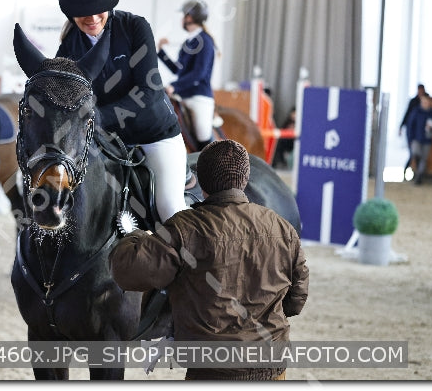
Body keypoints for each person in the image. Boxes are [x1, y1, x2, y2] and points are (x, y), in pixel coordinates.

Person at [109, 139, 309, 380]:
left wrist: (136, 235)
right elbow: (296, 300)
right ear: (245, 180)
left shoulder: (184, 228)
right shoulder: (282, 227)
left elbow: (127, 273)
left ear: (200, 183)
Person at [54, 0, 187, 222]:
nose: (92, 18)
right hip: (106, 143)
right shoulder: (69, 45)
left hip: (154, 136)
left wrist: (96, 117)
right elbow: (61, 93)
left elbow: (148, 92)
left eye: (98, 8)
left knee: (170, 208)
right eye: (83, 12)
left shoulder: (135, 27)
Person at [157, 0, 217, 149]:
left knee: (202, 135)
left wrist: (174, 86)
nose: (182, 19)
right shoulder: (188, 42)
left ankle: (212, 164)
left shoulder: (205, 41)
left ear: (189, 17)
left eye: (184, 15)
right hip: (183, 94)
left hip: (199, 97)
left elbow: (199, 73)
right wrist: (161, 53)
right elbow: (179, 70)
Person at [405, 94, 432, 185]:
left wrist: (431, 128)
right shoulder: (416, 112)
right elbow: (410, 126)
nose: (425, 104)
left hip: (427, 140)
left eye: (426, 102)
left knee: (424, 158)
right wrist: (410, 138)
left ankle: (419, 177)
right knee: (415, 153)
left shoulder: (431, 114)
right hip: (416, 138)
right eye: (423, 102)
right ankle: (415, 168)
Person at [400, 84, 432, 175]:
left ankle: (417, 175)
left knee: (421, 157)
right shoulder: (414, 105)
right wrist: (401, 127)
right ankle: (406, 171)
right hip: (414, 136)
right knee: (413, 154)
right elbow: (407, 116)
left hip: (424, 138)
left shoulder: (430, 112)